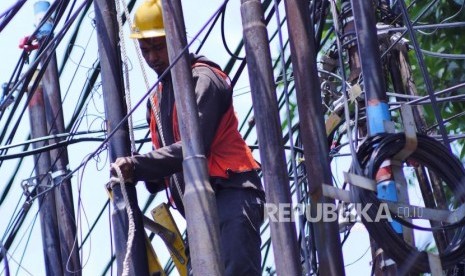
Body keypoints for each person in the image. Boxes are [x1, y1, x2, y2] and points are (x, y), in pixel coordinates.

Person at [110, 0, 265, 275]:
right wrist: (139, 170)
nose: (152, 58)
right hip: (197, 211)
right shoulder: (157, 101)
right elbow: (160, 177)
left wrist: (138, 166)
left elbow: (193, 148)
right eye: (145, 50)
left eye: (158, 47)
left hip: (231, 193)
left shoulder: (204, 79)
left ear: (176, 37)